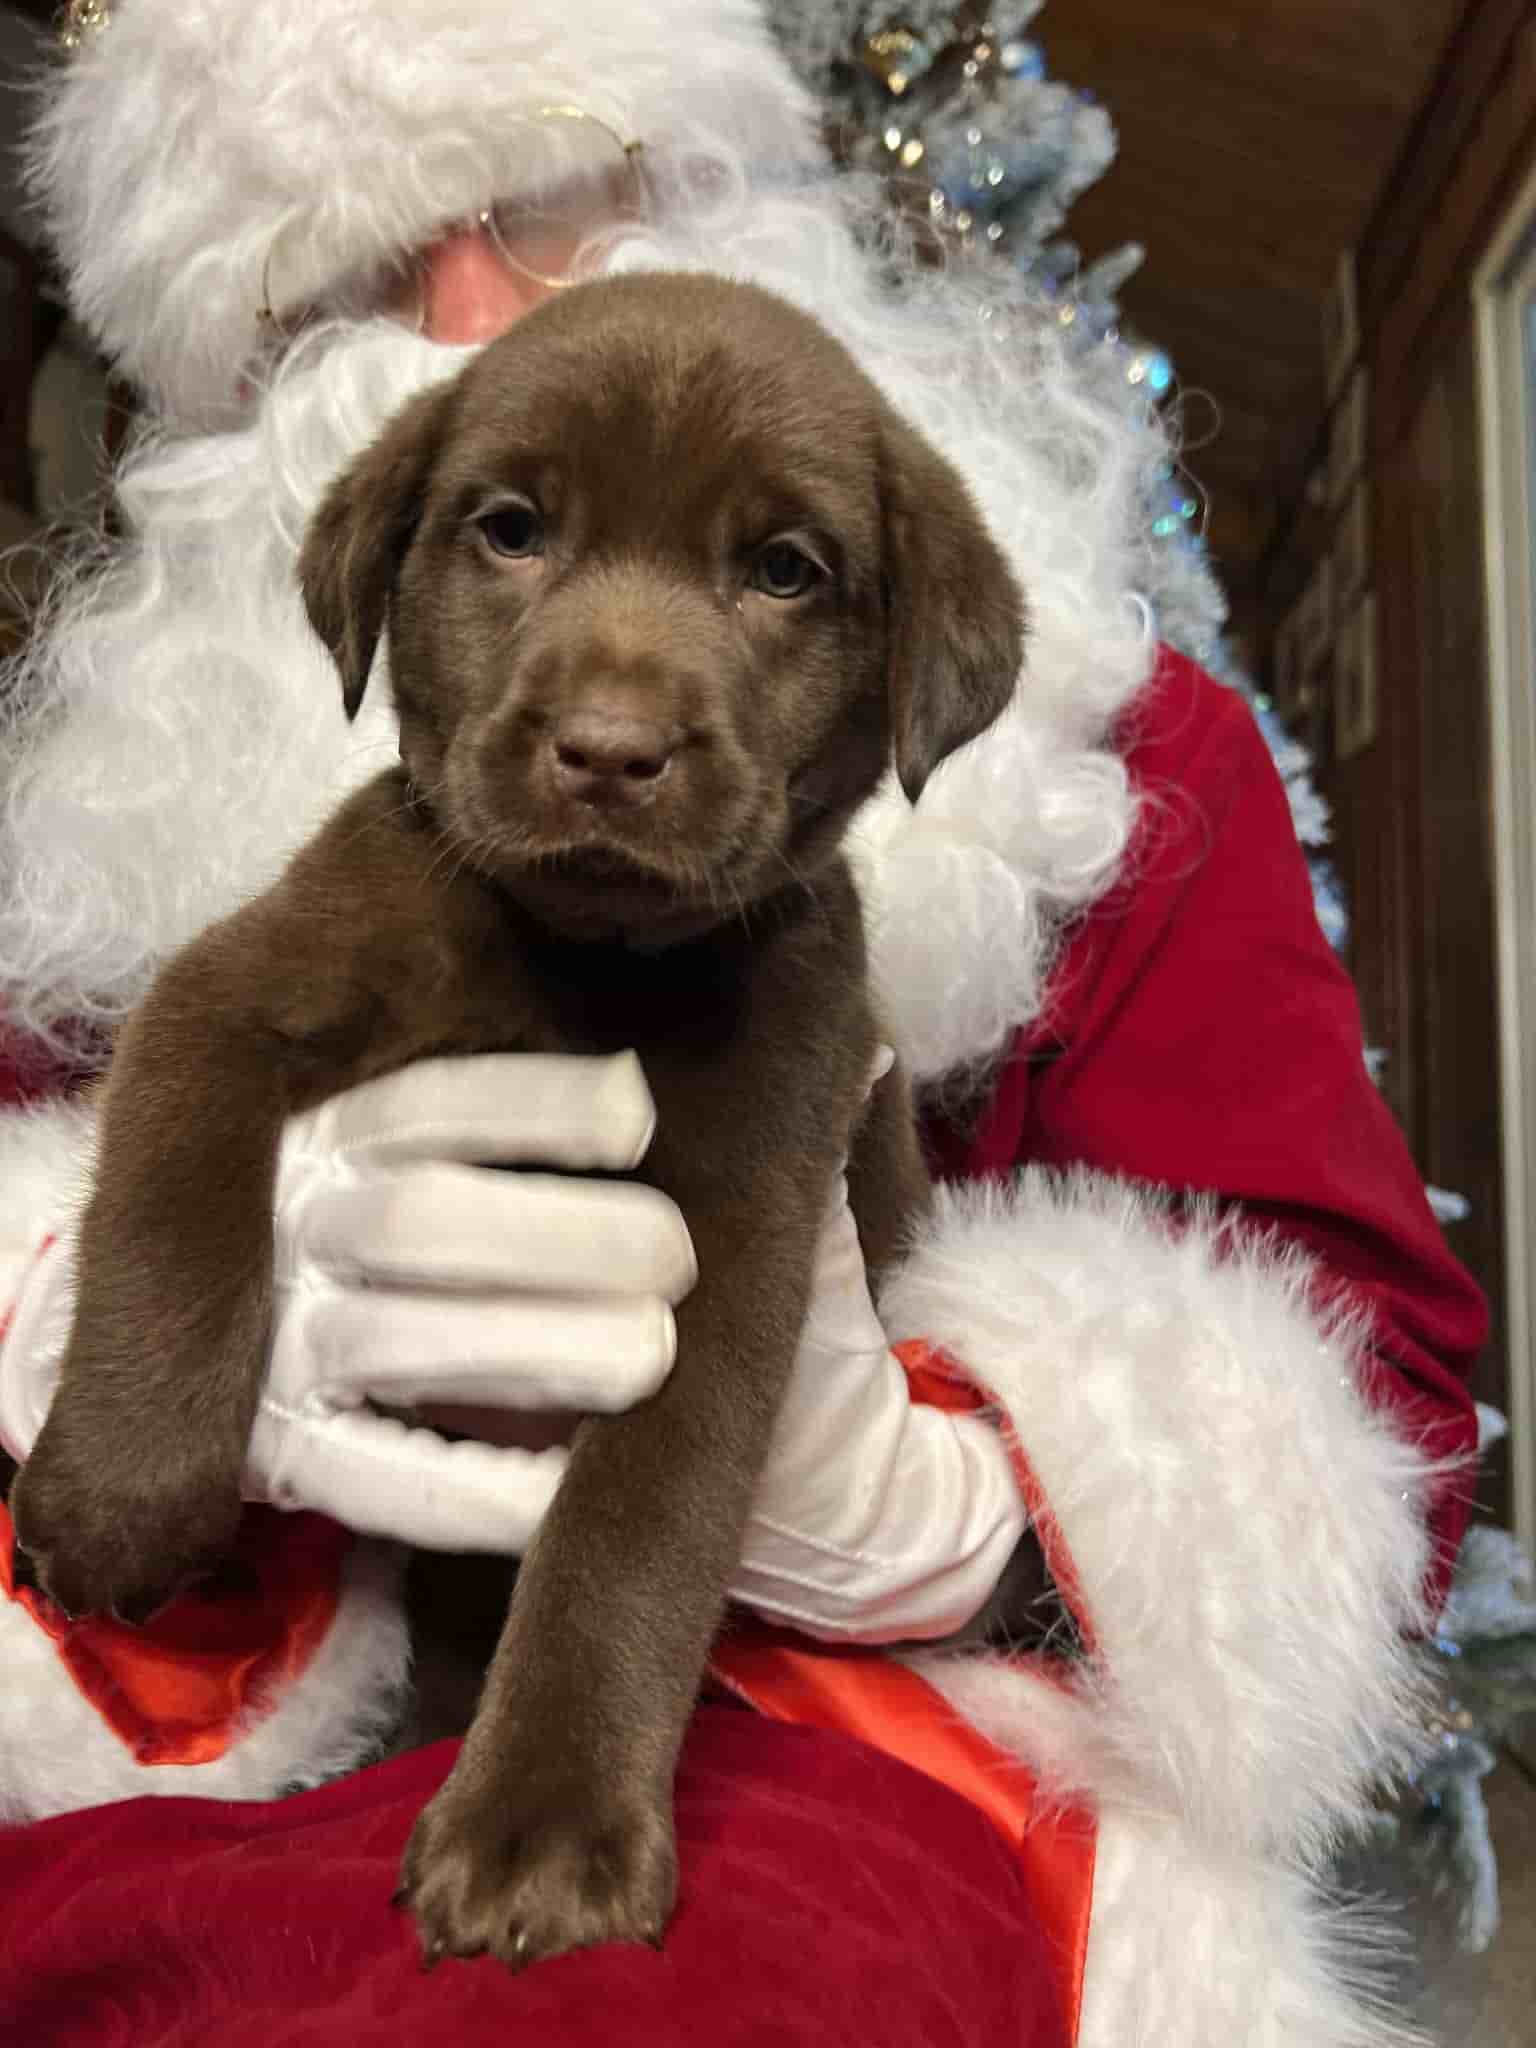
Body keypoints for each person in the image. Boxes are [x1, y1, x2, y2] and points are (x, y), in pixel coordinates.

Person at [0, 1, 1486, 2042]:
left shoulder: (1140, 773)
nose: (454, 309)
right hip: (193, 1722)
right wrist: (75, 1305)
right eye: (339, 278)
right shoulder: (124, 854)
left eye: (541, 198)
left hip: (841, 1764)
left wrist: (957, 1506)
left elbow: (1379, 1395)